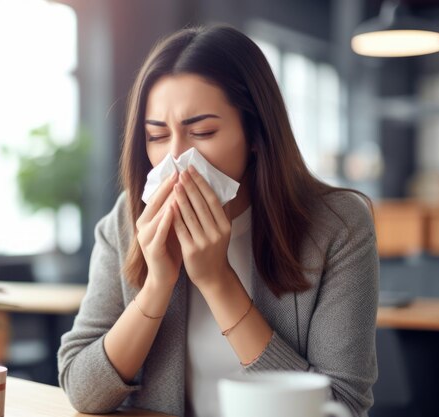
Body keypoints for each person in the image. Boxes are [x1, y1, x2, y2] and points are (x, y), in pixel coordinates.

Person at [58, 24, 378, 417]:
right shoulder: (128, 222)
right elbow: (81, 390)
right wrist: (157, 285)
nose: (176, 159)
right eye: (157, 136)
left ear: (256, 134)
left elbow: (341, 407)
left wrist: (217, 280)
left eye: (203, 131)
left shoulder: (338, 226)